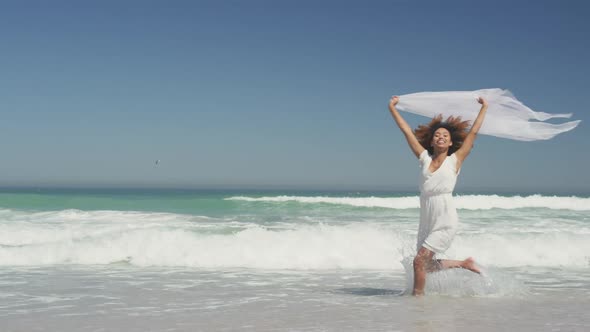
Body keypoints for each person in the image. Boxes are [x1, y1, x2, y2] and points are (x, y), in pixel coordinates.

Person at [388, 95, 488, 296]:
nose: (440, 137)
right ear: (432, 141)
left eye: (444, 135)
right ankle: (463, 263)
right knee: (426, 265)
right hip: (427, 216)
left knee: (419, 261)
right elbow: (406, 131)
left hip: (445, 216)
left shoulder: (455, 160)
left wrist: (484, 107)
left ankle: (417, 300)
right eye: (437, 135)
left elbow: (474, 132)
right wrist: (392, 108)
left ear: (451, 142)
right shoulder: (424, 157)